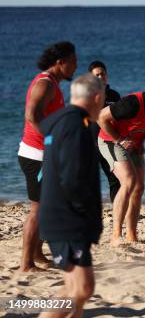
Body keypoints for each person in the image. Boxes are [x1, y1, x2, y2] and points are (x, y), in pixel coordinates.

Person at [38, 74, 106, 318]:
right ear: (97, 98)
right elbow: (73, 177)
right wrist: (84, 216)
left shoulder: (58, 120)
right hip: (68, 220)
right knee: (82, 289)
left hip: (57, 215)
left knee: (73, 289)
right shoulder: (77, 126)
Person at [17, 41, 77, 272]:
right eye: (73, 63)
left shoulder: (52, 83)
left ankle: (37, 254)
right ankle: (26, 264)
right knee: (38, 210)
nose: (74, 67)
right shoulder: (45, 83)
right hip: (37, 155)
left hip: (42, 154)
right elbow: (32, 115)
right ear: (60, 62)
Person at [98, 74, 145, 246]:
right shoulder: (131, 104)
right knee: (129, 181)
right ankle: (116, 235)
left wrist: (141, 143)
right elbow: (101, 118)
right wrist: (120, 140)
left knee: (139, 188)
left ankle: (131, 234)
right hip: (110, 140)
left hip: (132, 142)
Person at [88, 61, 122, 201]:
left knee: (115, 179)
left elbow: (121, 119)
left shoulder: (114, 96)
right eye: (97, 75)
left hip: (108, 144)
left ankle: (116, 208)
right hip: (89, 144)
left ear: (106, 76)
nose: (100, 77)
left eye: (102, 74)